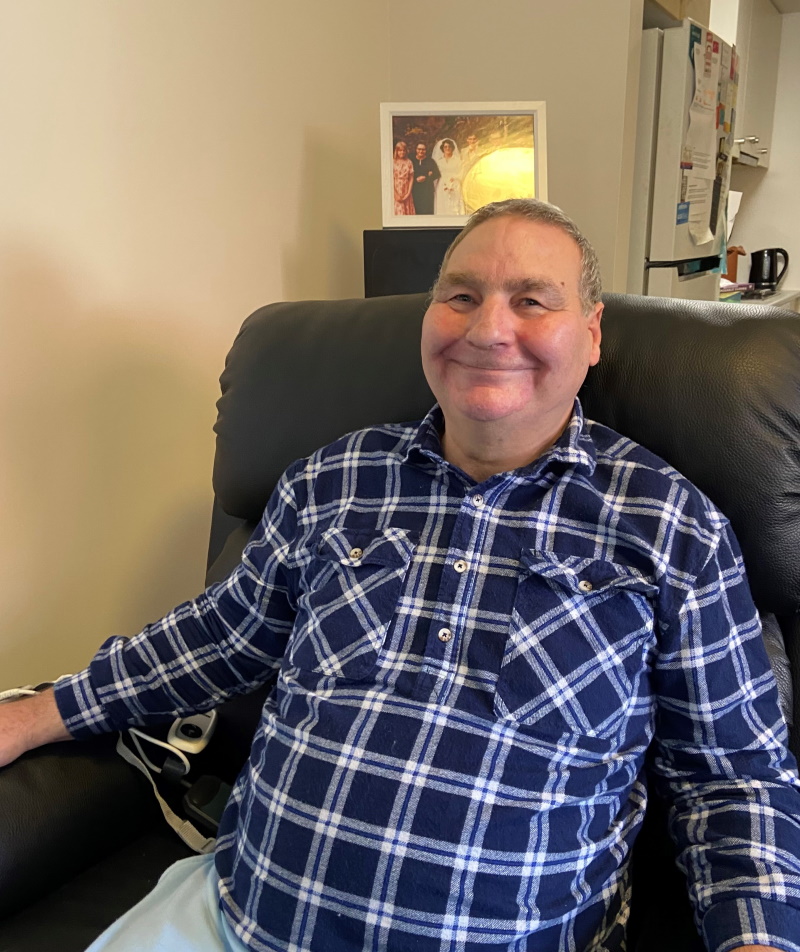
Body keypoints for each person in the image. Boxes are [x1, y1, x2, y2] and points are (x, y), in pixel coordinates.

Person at [2, 199, 798, 952]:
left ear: (591, 334)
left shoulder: (671, 526)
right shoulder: (331, 480)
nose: (488, 329)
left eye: (532, 301)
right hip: (238, 918)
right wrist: (37, 714)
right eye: (461, 295)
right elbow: (219, 638)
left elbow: (734, 781)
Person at [432, 137, 465, 216]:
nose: (447, 148)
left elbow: (461, 172)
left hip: (454, 183)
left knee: (454, 204)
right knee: (442, 204)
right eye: (445, 147)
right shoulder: (439, 161)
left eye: (449, 146)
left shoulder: (457, 160)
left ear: (452, 148)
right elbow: (435, 174)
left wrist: (455, 179)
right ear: (442, 148)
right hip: (442, 185)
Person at [410, 141, 439, 214]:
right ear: (416, 150)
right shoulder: (411, 161)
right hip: (415, 190)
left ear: (425, 150)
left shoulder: (430, 161)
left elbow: (437, 174)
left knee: (427, 210)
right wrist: (416, 178)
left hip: (427, 190)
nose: (421, 151)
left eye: (423, 149)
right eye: (419, 149)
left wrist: (427, 176)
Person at [391, 139, 415, 216]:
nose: (402, 152)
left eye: (403, 150)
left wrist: (408, 193)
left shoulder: (409, 162)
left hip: (406, 189)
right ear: (396, 151)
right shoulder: (392, 162)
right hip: (396, 188)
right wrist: (395, 194)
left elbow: (411, 178)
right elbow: (390, 179)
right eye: (400, 150)